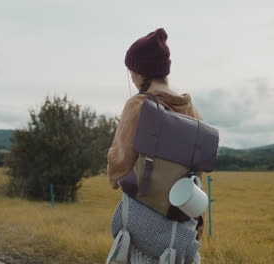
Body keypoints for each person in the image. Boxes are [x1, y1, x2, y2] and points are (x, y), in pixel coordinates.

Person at [106, 28, 203, 264]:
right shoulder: (192, 112)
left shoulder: (138, 105)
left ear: (140, 71)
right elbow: (197, 174)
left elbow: (119, 163)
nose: (131, 76)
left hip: (141, 231)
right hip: (180, 230)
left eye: (131, 70)